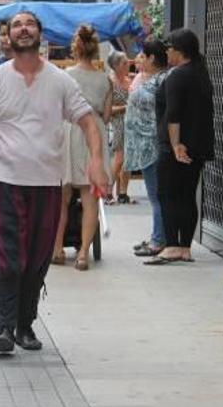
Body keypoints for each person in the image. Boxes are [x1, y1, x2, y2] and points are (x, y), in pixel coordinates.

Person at [0, 11, 107, 353]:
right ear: (7, 37)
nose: (24, 29)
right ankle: (5, 326)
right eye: (17, 25)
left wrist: (96, 162)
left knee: (37, 257)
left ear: (40, 34)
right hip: (1, 178)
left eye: (30, 24)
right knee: (7, 255)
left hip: (46, 181)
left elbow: (87, 122)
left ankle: (26, 325)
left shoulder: (60, 81)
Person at [145, 29, 215, 265]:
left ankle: (173, 245)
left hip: (177, 146)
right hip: (197, 146)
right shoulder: (200, 73)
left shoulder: (177, 76)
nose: (167, 51)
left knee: (167, 194)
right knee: (186, 195)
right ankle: (185, 246)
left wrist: (175, 144)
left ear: (179, 50)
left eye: (170, 48)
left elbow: (173, 114)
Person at [51, 25, 112, 271]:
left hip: (69, 130)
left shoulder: (64, 75)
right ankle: (84, 253)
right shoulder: (105, 79)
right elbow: (106, 117)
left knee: (62, 197)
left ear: (75, 49)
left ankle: (56, 248)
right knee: (90, 199)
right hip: (94, 130)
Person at [124, 40, 169, 257]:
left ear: (152, 58)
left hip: (153, 146)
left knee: (156, 195)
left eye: (143, 55)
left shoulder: (163, 80)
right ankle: (157, 235)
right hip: (145, 146)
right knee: (156, 195)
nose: (139, 59)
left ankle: (159, 240)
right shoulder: (155, 79)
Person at [107, 50, 132, 204]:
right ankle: (108, 191)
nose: (128, 64)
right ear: (116, 66)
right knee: (119, 158)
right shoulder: (110, 82)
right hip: (117, 123)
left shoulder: (129, 81)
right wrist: (126, 107)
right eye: (124, 63)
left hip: (130, 124)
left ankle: (123, 192)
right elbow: (107, 110)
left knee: (128, 159)